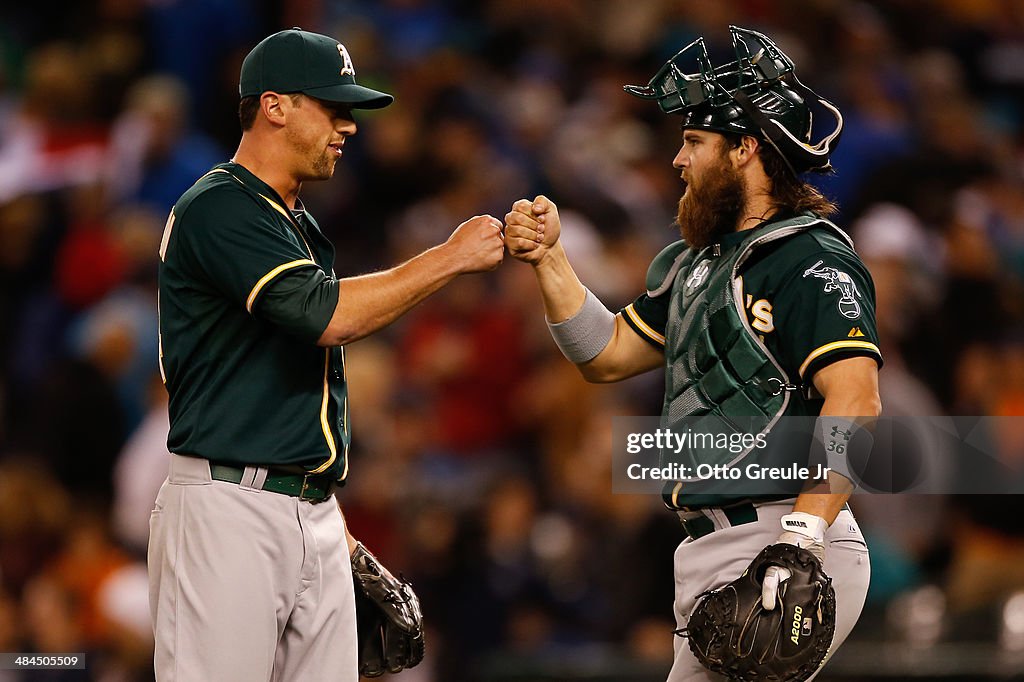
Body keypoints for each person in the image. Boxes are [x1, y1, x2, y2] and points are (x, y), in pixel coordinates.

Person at [505, 27, 880, 681]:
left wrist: (802, 537)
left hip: (782, 537)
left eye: (694, 142)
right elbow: (609, 354)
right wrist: (550, 261)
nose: (678, 160)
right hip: (713, 547)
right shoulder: (697, 264)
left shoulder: (810, 257)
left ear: (745, 149)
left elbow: (857, 398)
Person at [149, 27, 504, 681]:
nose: (350, 125)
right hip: (229, 508)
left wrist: (322, 518)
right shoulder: (220, 206)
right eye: (333, 107)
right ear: (275, 105)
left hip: (305, 506)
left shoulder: (294, 221)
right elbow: (325, 315)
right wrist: (450, 258)